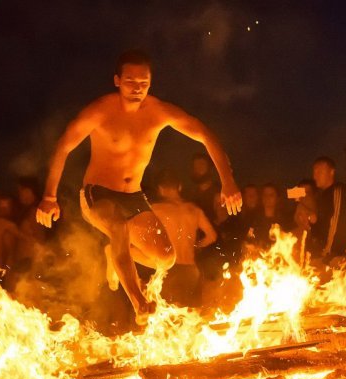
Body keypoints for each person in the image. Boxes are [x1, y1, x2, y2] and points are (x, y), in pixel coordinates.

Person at [36, 49, 242, 324]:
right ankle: (139, 302)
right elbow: (63, 146)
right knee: (118, 227)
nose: (137, 88)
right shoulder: (100, 111)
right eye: (131, 81)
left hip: (133, 195)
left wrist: (227, 182)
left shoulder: (159, 112)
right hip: (99, 192)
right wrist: (49, 196)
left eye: (144, 83)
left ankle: (114, 254)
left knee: (166, 258)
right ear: (117, 80)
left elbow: (205, 135)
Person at [150, 172, 216, 307]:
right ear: (179, 187)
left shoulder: (156, 210)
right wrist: (196, 245)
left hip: (168, 270)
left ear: (160, 189)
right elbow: (212, 236)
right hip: (191, 270)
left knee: (170, 321)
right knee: (192, 319)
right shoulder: (193, 209)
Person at [311, 156, 346, 260]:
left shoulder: (337, 191)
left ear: (331, 172)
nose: (315, 176)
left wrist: (328, 251)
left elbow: (336, 221)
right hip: (325, 254)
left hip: (335, 256)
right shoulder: (321, 196)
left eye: (319, 172)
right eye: (314, 172)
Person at [247, 183, 290, 249]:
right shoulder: (254, 220)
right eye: (265, 195)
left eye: (271, 195)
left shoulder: (283, 221)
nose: (267, 198)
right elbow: (248, 239)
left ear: (277, 198)